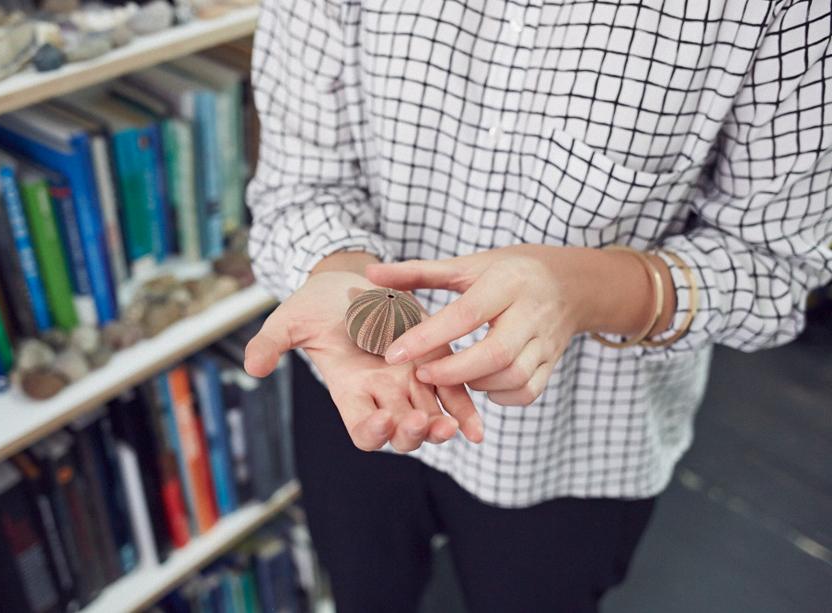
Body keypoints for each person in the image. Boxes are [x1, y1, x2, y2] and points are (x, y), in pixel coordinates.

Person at [243, 1, 832, 611]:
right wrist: (339, 268)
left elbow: (774, 264)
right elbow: (300, 179)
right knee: (364, 592)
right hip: (354, 387)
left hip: (577, 440)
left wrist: (588, 289)